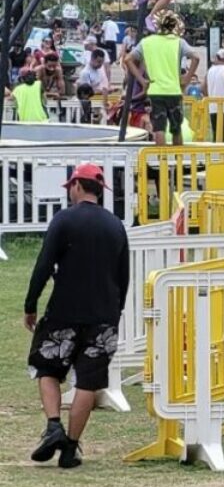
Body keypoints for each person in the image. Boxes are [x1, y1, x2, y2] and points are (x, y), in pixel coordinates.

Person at [25, 163, 129, 469]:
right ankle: (70, 448)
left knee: (45, 367)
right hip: (104, 315)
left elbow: (44, 265)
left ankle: (54, 425)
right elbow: (123, 277)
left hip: (64, 311)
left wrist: (31, 304)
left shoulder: (64, 220)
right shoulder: (115, 225)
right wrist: (116, 312)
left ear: (77, 186)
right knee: (88, 381)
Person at [122, 10, 199, 145]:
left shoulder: (147, 42)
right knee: (176, 128)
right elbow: (196, 57)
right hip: (174, 90)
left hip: (155, 90)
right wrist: (186, 78)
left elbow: (127, 59)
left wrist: (142, 80)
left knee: (159, 128)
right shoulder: (178, 42)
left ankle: (162, 161)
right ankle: (177, 161)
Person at [75, 49, 112, 123]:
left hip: (99, 97)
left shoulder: (100, 70)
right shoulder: (85, 73)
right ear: (92, 59)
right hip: (87, 102)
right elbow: (86, 93)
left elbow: (103, 85)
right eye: (98, 62)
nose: (101, 64)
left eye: (102, 62)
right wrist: (102, 90)